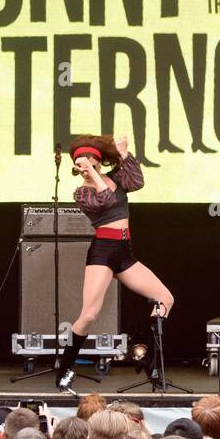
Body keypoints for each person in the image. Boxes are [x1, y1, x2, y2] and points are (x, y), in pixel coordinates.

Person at [53, 134, 172, 392]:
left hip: (124, 252)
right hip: (103, 252)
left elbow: (137, 181)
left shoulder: (117, 178)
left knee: (165, 298)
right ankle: (64, 368)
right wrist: (92, 174)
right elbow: (104, 199)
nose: (83, 166)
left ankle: (152, 362)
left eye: (88, 161)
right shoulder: (82, 192)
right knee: (89, 314)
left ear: (97, 161)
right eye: (79, 163)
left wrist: (124, 153)